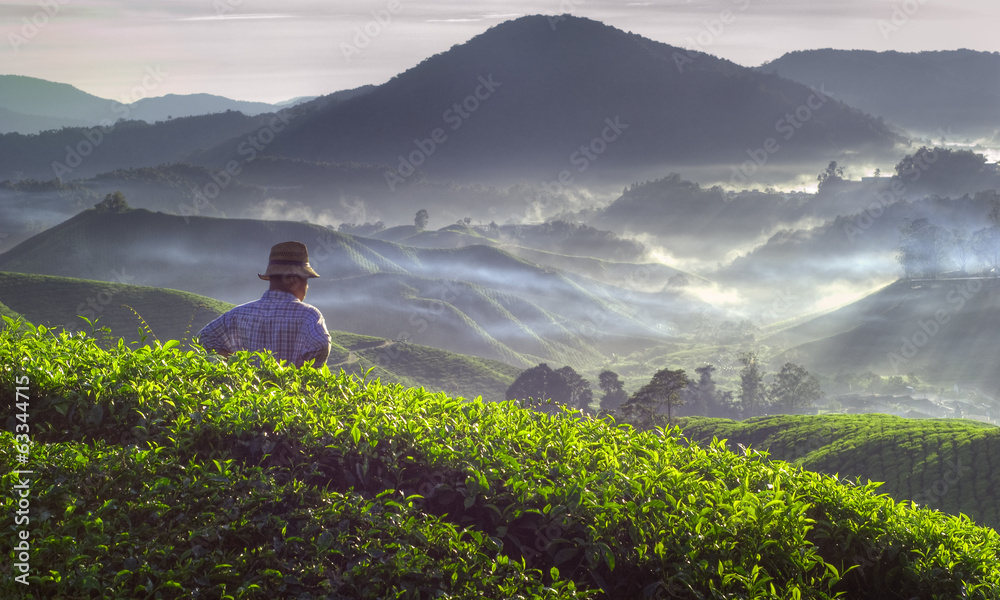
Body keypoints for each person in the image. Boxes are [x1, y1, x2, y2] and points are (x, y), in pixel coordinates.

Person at [198, 241, 331, 368]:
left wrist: (237, 366)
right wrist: (302, 373)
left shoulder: (238, 314)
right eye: (305, 281)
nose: (307, 287)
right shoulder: (308, 316)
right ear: (294, 280)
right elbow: (321, 344)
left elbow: (204, 338)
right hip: (290, 390)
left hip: (246, 391)